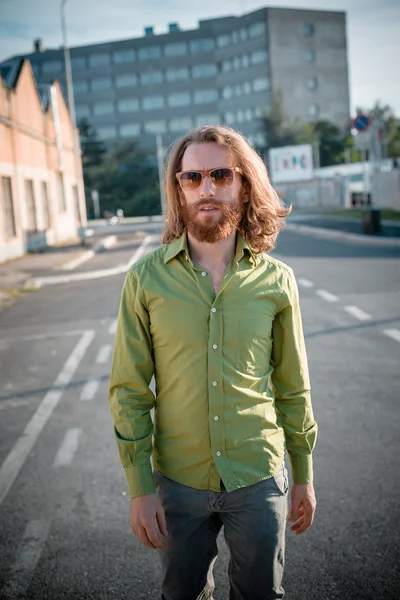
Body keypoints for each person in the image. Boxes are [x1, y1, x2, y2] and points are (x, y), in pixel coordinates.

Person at [109, 125, 318, 600]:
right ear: (178, 189)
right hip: (177, 480)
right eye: (192, 178)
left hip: (259, 476)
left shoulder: (277, 281)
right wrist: (139, 486)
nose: (206, 188)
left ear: (244, 185)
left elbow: (294, 386)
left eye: (220, 174)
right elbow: (130, 390)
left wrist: (303, 474)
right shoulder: (145, 280)